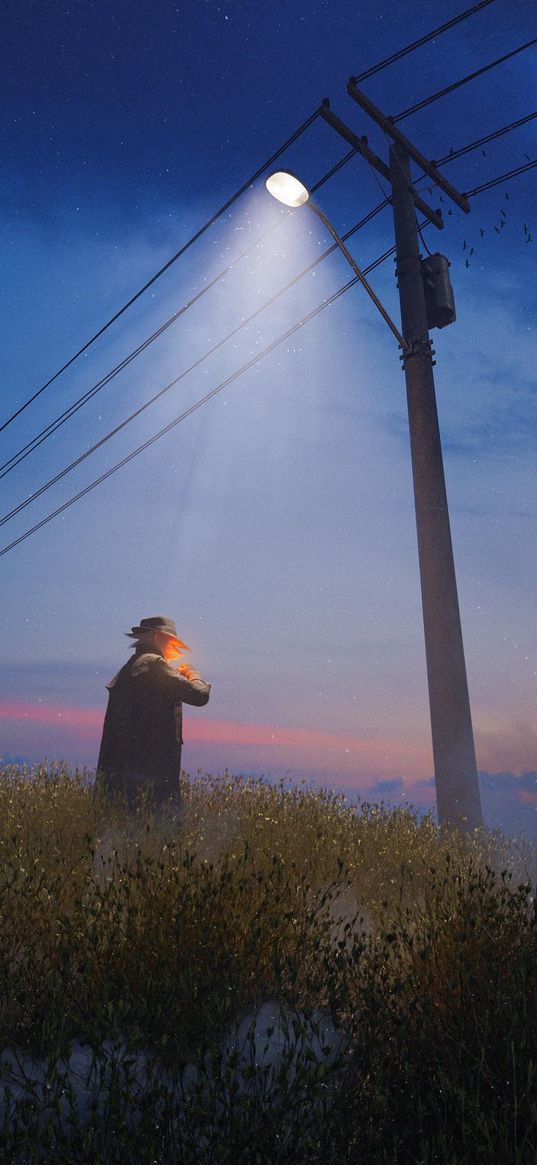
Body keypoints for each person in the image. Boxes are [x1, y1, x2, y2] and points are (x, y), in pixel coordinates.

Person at [96, 615, 210, 813]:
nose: (172, 649)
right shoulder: (154, 666)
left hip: (123, 778)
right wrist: (193, 674)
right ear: (158, 639)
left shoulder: (130, 668)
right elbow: (200, 695)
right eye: (170, 642)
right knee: (159, 835)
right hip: (153, 779)